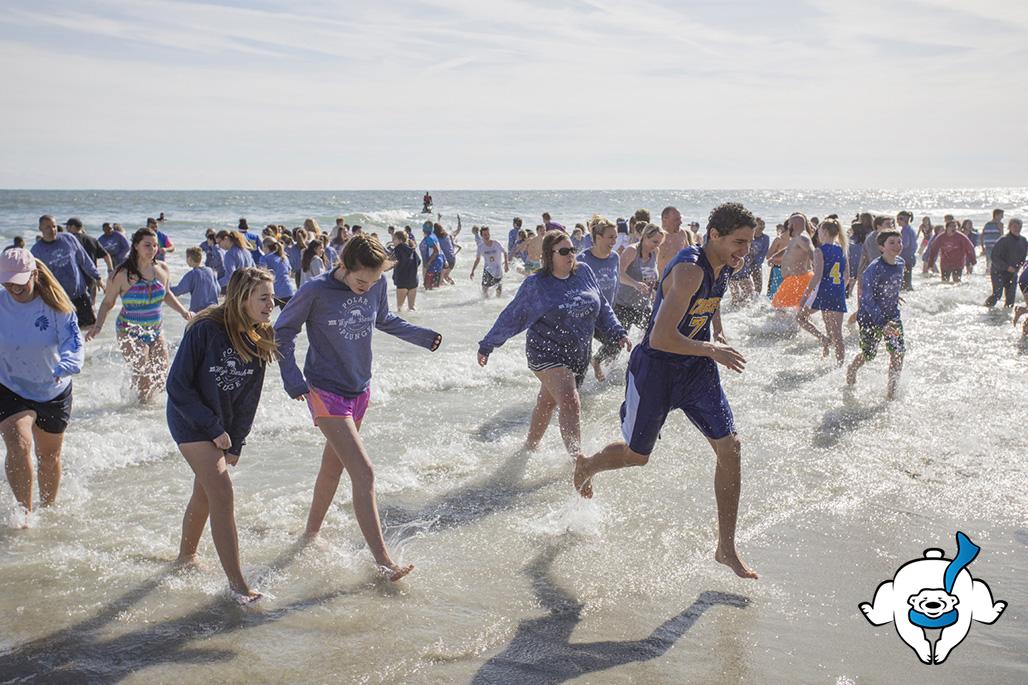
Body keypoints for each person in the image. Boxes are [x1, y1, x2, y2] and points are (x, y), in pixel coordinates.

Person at [572, 202, 758, 580]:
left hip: (696, 371)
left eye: (750, 243)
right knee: (638, 456)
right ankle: (587, 465)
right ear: (715, 236)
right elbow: (661, 336)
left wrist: (716, 332)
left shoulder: (724, 264)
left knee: (730, 448)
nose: (746, 251)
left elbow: (708, 304)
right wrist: (712, 348)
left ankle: (726, 547)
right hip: (656, 369)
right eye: (739, 242)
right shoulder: (689, 270)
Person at [275, 235, 441, 580]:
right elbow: (282, 332)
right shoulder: (315, 291)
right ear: (343, 266)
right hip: (325, 389)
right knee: (364, 472)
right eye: (360, 281)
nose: (367, 287)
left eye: (375, 280)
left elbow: (384, 319)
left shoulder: (376, 286)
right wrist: (293, 380)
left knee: (333, 467)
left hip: (359, 387)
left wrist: (423, 337)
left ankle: (310, 534)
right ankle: (384, 562)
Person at [168, 267, 276, 603]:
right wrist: (213, 428)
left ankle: (185, 558)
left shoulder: (260, 336)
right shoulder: (205, 329)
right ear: (243, 298)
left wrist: (237, 440)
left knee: (206, 492)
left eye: (272, 297)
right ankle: (238, 586)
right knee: (223, 493)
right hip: (190, 418)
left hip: (221, 427)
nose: (271, 303)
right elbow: (177, 386)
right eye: (264, 297)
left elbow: (248, 399)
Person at [478, 232, 629, 461]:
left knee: (547, 401)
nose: (571, 255)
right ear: (549, 255)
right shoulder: (537, 285)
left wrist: (617, 331)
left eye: (572, 250)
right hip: (545, 352)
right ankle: (578, 462)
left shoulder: (584, 272)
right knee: (570, 400)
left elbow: (603, 306)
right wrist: (487, 345)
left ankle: (528, 448)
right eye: (564, 251)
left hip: (577, 354)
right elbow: (511, 317)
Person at [0, 249, 84, 521]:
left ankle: (49, 511)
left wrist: (67, 364)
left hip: (53, 388)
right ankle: (25, 517)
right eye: (7, 281)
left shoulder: (58, 306)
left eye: (19, 280)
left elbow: (73, 343)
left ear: (34, 274)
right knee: (17, 441)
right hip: (9, 385)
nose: (13, 286)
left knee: (48, 459)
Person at [86, 228, 193, 402]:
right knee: (144, 374)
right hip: (129, 332)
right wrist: (97, 326)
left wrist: (183, 312)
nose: (153, 249)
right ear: (136, 246)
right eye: (147, 245)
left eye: (155, 245)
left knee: (160, 375)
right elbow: (107, 303)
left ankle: (141, 405)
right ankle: (138, 410)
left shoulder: (162, 269)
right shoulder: (122, 274)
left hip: (156, 331)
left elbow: (166, 294)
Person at [846, 229, 905, 400]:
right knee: (868, 354)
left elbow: (890, 284)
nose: (897, 245)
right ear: (881, 247)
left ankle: (890, 396)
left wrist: (894, 295)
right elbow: (867, 300)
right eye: (892, 243)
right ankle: (852, 369)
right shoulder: (873, 269)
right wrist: (882, 323)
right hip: (871, 318)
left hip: (893, 316)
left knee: (898, 352)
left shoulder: (901, 263)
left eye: (899, 242)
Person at [596, 224, 663, 368]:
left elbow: (650, 276)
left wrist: (653, 291)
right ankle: (597, 361)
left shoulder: (655, 252)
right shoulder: (632, 251)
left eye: (659, 242)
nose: (657, 245)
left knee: (655, 333)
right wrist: (635, 284)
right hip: (622, 304)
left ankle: (645, 364)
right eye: (655, 241)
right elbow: (618, 274)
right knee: (616, 345)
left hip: (643, 306)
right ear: (645, 237)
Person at [30, 215, 101, 327]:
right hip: (58, 298)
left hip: (80, 294)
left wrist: (97, 277)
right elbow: (36, 278)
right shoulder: (36, 251)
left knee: (90, 328)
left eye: (54, 226)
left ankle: (90, 346)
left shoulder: (68, 239)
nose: (52, 230)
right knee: (66, 330)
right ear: (40, 228)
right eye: (48, 227)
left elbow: (84, 259)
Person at [797, 219, 848, 363]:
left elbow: (817, 275)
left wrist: (805, 295)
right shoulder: (842, 250)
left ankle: (823, 339)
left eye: (819, 231)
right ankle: (839, 366)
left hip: (823, 292)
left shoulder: (819, 250)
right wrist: (838, 290)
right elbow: (847, 277)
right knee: (837, 333)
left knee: (800, 318)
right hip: (838, 293)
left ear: (824, 232)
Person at [577, 219, 621, 380]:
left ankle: (597, 361)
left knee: (617, 342)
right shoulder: (582, 258)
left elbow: (616, 286)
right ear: (598, 237)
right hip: (584, 315)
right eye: (610, 237)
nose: (614, 241)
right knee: (580, 357)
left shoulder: (615, 257)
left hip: (605, 314)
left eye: (615, 237)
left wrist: (613, 310)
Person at [771, 213, 815, 309]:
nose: (788, 227)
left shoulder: (802, 238)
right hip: (794, 280)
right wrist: (774, 257)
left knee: (778, 309)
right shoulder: (797, 238)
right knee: (785, 310)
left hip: (798, 279)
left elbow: (813, 254)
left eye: (789, 224)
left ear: (793, 225)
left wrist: (819, 273)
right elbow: (789, 249)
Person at [984, 218, 1027, 308]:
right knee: (997, 294)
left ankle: (1006, 317)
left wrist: (1021, 264)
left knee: (1011, 299)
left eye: (1019, 226)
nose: (1017, 228)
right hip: (998, 272)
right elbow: (994, 257)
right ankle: (986, 308)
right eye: (1014, 226)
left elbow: (1024, 255)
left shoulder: (1023, 240)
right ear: (1009, 227)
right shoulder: (1003, 240)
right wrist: (1006, 267)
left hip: (1013, 272)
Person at [729, 217, 769, 303]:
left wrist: (754, 263)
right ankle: (736, 308)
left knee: (757, 288)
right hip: (742, 266)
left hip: (756, 264)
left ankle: (753, 305)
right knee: (736, 294)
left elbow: (763, 253)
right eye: (760, 224)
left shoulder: (765, 238)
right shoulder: (747, 237)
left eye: (763, 224)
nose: (762, 226)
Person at [171, 247, 220, 313]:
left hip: (199, 312)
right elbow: (218, 289)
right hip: (213, 310)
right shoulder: (210, 271)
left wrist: (165, 288)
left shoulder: (192, 274)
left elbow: (178, 291)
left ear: (189, 259)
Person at [469, 226, 509, 298]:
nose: (487, 236)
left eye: (488, 234)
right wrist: (472, 271)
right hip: (488, 269)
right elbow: (477, 259)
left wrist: (506, 264)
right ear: (481, 236)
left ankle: (498, 303)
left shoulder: (496, 243)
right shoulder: (481, 247)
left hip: (498, 269)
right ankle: (486, 303)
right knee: (484, 289)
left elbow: (505, 253)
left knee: (499, 288)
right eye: (484, 235)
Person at [387, 230, 420, 311]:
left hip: (402, 282)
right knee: (412, 308)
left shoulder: (397, 249)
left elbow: (391, 263)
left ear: (400, 240)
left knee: (400, 309)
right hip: (413, 281)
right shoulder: (412, 249)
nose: (392, 241)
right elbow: (419, 261)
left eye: (394, 239)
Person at [260, 237, 297, 308]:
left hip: (275, 292)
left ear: (265, 247)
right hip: (288, 290)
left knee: (262, 313)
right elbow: (289, 273)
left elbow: (261, 275)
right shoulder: (284, 257)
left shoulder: (265, 258)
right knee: (287, 317)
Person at [419, 222, 444, 290]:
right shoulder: (433, 236)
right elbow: (439, 250)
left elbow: (436, 251)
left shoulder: (429, 238)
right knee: (433, 288)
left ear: (423, 230)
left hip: (434, 264)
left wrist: (429, 262)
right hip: (438, 262)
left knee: (428, 286)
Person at [766, 224, 787, 299]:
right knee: (772, 294)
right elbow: (768, 256)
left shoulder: (795, 240)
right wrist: (779, 258)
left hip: (790, 271)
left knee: (785, 293)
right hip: (777, 269)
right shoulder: (778, 239)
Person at [898, 211, 918, 291]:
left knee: (905, 281)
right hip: (910, 256)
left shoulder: (905, 230)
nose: (897, 221)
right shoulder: (910, 229)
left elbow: (905, 244)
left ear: (905, 219)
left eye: (899, 219)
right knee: (907, 279)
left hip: (906, 258)